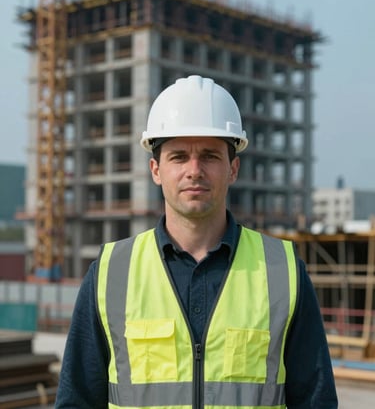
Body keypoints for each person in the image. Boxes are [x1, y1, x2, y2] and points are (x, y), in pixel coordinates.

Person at [55, 75, 338, 408]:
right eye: (178, 157)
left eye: (209, 156)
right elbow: (77, 401)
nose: (194, 170)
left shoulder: (284, 272)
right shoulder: (110, 273)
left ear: (233, 169)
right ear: (155, 169)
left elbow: (316, 402)